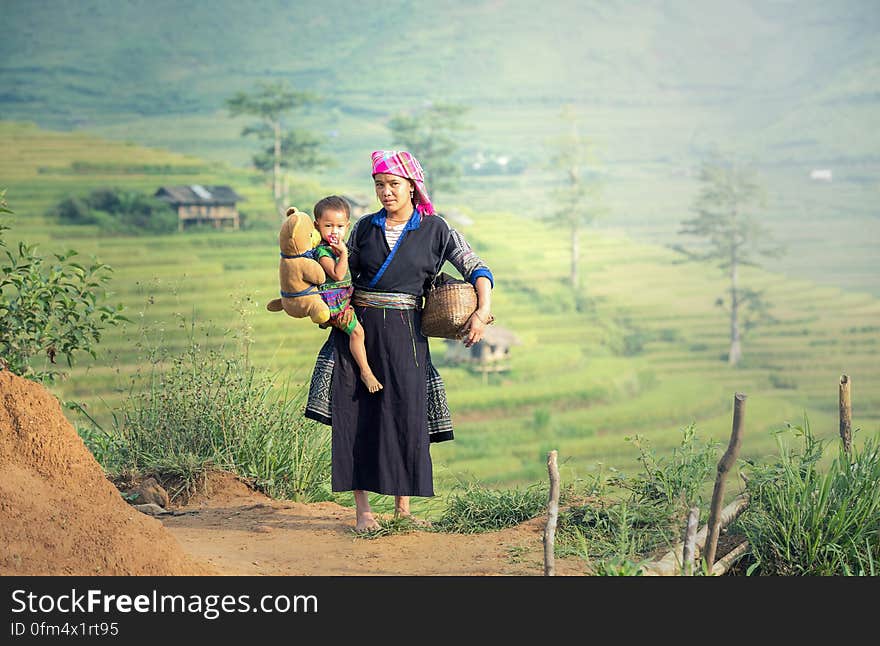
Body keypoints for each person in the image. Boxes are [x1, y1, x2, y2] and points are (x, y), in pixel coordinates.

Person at [305, 150, 494, 532]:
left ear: (412, 186)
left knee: (406, 414)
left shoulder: (437, 229)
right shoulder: (363, 228)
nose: (386, 192)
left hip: (408, 334)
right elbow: (341, 275)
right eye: (379, 185)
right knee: (356, 416)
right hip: (360, 329)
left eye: (393, 184)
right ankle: (363, 513)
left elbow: (477, 268)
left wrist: (482, 311)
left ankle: (403, 510)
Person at [312, 195, 383, 394]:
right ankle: (365, 371)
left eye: (340, 226)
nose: (334, 231)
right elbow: (337, 274)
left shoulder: (334, 248)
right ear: (317, 226)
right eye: (328, 226)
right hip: (335, 305)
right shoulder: (323, 252)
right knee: (357, 333)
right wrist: (343, 253)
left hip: (344, 300)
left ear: (347, 226)